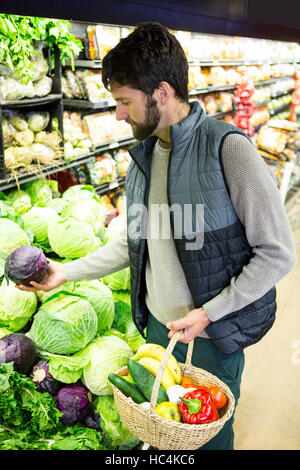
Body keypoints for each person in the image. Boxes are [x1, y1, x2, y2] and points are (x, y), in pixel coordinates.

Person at [18, 22, 297, 450]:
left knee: (207, 445)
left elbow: (277, 253)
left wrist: (210, 312)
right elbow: (128, 246)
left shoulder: (228, 149)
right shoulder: (142, 159)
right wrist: (65, 273)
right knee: (163, 442)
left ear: (162, 93)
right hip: (155, 337)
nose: (118, 115)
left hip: (210, 341)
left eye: (125, 102)